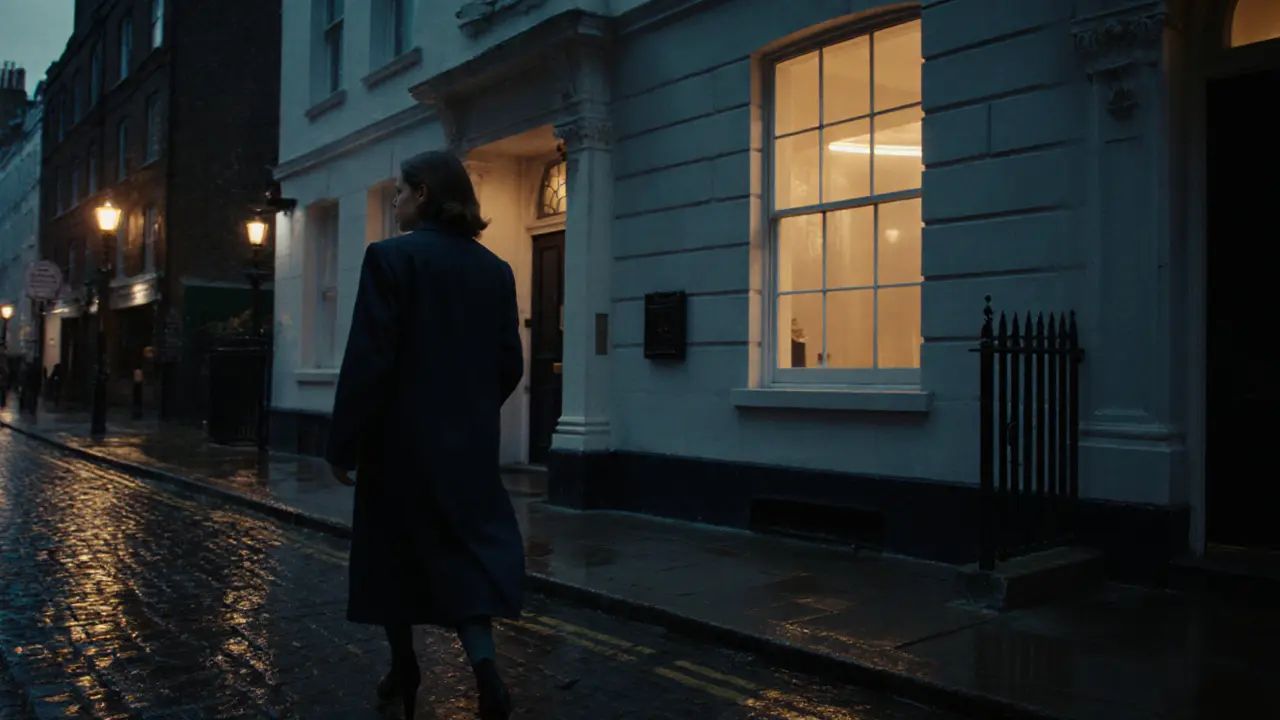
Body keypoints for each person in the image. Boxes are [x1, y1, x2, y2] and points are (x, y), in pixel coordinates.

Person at [325, 150, 525, 720]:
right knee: (466, 556)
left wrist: (344, 443)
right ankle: (486, 671)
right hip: (467, 447)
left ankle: (404, 665)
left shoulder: (390, 259)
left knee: (395, 559)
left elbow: (369, 360)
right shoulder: (496, 270)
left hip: (399, 447)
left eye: (399, 192)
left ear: (424, 195)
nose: (393, 203)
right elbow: (509, 363)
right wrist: (470, 412)